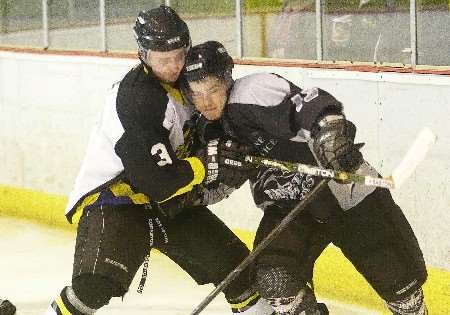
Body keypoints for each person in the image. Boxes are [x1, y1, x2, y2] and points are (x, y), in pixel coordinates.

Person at [45, 6, 273, 315]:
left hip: (171, 198)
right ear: (143, 54)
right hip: (117, 198)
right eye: (163, 60)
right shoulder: (137, 99)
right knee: (95, 285)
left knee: (237, 270)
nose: (175, 66)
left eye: (180, 55)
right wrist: (208, 164)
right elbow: (154, 181)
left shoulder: (189, 79)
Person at [180, 40, 428, 315]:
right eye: (197, 93)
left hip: (343, 191)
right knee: (275, 279)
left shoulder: (252, 92)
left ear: (227, 79)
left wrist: (331, 133)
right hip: (290, 208)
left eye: (213, 89)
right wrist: (190, 194)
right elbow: (221, 186)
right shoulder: (209, 131)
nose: (206, 101)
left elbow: (308, 103)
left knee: (402, 290)